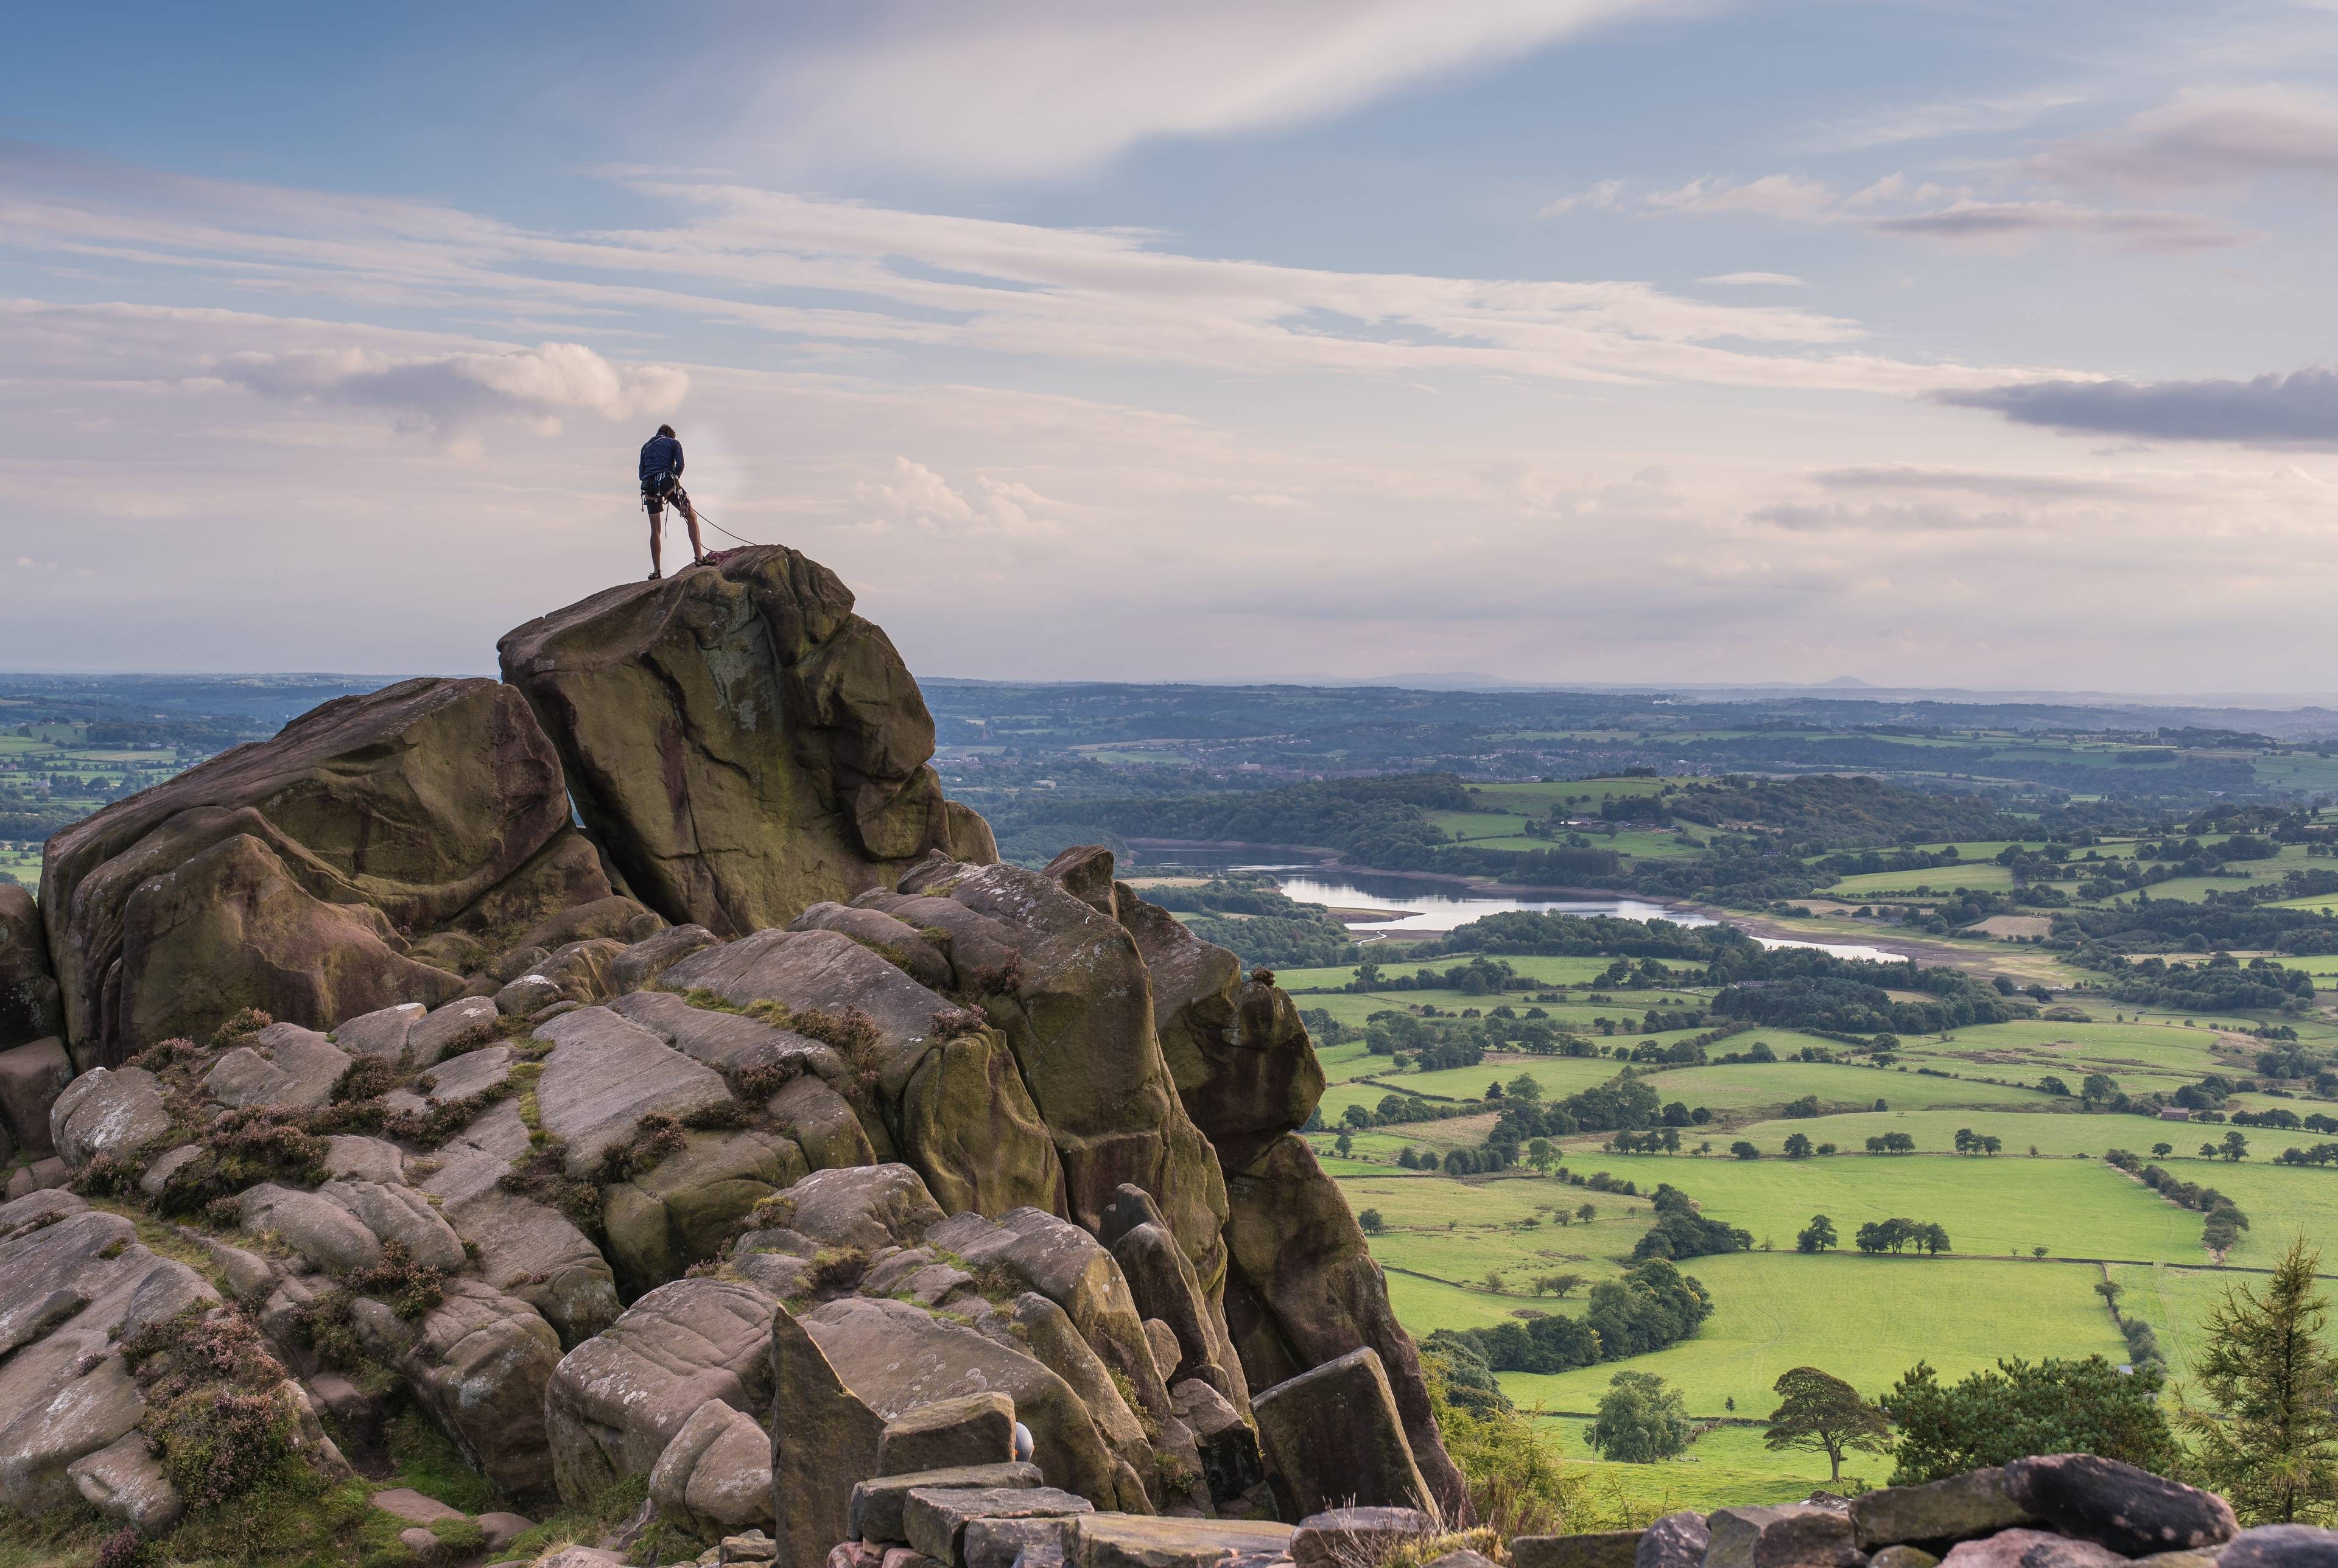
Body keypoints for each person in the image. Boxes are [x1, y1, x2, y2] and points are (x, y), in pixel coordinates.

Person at [638, 424, 707, 579]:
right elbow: (680, 465)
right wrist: (674, 479)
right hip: (667, 481)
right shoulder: (673, 443)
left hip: (649, 485)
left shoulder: (645, 447)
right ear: (670, 434)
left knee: (655, 529)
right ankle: (699, 558)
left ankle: (657, 571)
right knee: (691, 516)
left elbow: (642, 473)